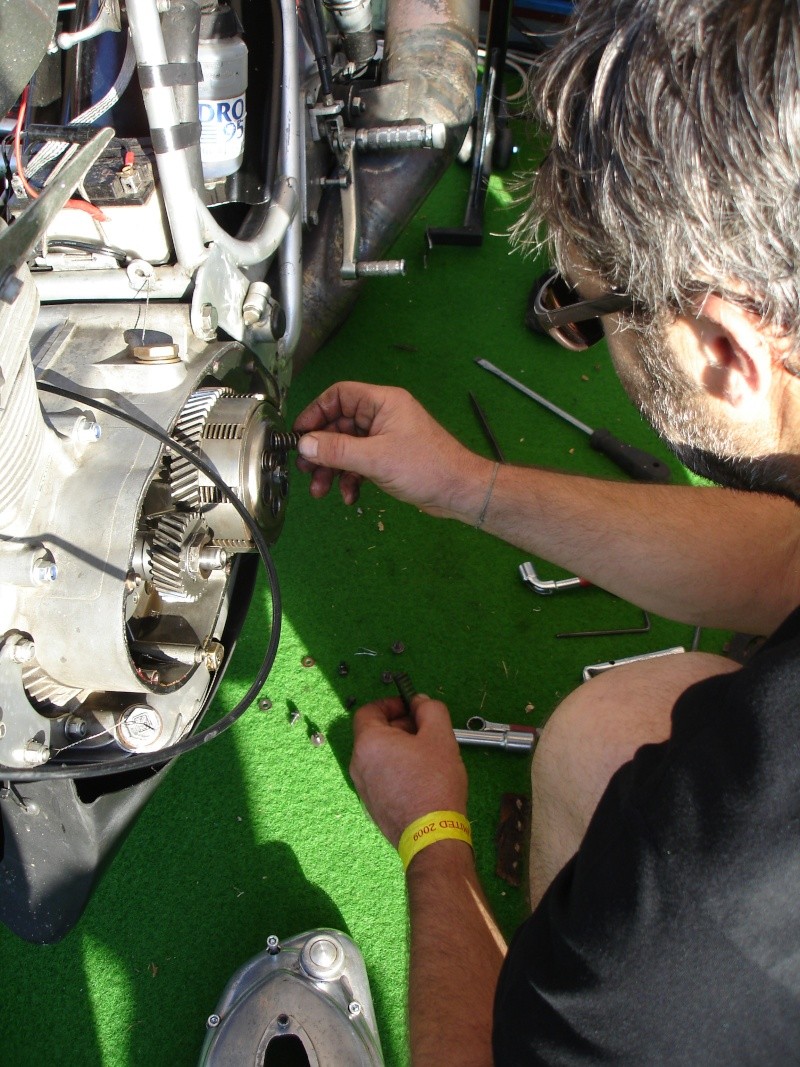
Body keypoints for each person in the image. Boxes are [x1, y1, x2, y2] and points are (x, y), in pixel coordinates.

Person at [294, 0, 800, 1061]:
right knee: (593, 738)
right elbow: (784, 563)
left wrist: (432, 836)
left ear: (722, 344)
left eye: (590, 306)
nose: (577, 323)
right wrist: (469, 485)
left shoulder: (698, 921)